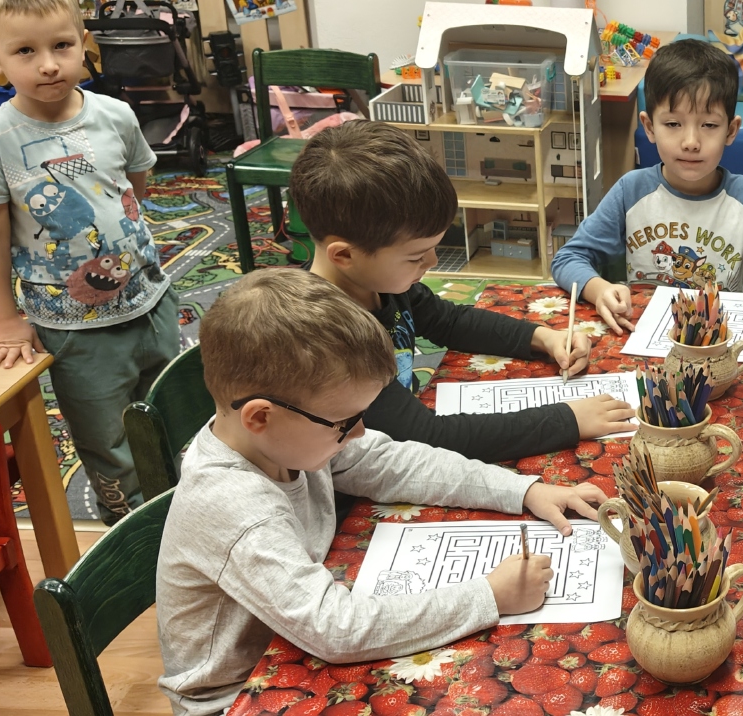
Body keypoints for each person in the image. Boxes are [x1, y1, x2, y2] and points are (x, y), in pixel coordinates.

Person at [156, 269, 604, 716]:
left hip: (298, 644)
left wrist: (524, 490)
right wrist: (488, 595)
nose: (360, 432)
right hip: (236, 697)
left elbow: (390, 461)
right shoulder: (236, 506)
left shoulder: (282, 437)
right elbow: (335, 629)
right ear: (259, 417)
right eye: (345, 422)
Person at [291, 120, 635, 463]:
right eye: (415, 256)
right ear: (345, 255)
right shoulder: (328, 340)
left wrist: (543, 338)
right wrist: (567, 420)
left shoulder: (374, 281)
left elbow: (449, 321)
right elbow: (427, 437)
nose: (433, 262)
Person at [0, 0, 179, 524]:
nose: (49, 64)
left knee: (172, 413)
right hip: (76, 328)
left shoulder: (115, 114)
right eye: (25, 51)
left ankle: (186, 510)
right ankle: (133, 531)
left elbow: (133, 187)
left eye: (61, 46)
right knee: (106, 438)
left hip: (151, 299)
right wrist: (6, 320)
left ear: (84, 44)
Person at [549, 38, 743, 345]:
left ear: (731, 130)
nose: (691, 142)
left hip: (719, 345)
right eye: (673, 124)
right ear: (649, 127)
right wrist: (598, 288)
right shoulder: (630, 191)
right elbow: (568, 258)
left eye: (709, 125)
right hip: (643, 338)